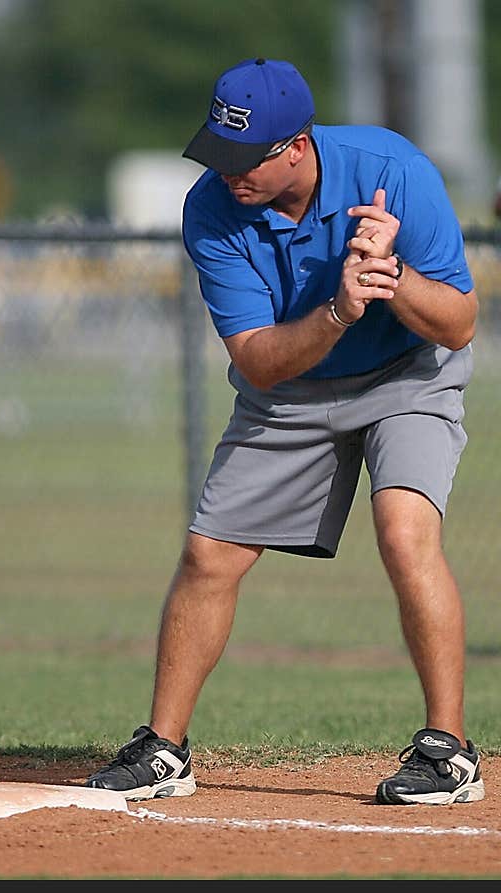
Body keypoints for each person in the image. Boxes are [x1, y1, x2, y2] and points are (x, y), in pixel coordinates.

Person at [86, 58, 482, 806]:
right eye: (218, 154)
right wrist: (337, 310)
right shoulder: (212, 210)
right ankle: (165, 750)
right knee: (209, 555)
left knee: (404, 532)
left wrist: (391, 278)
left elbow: (459, 326)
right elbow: (260, 363)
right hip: (293, 387)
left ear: (295, 147)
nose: (228, 175)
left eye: (245, 161)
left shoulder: (393, 172)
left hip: (406, 375)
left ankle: (447, 754)